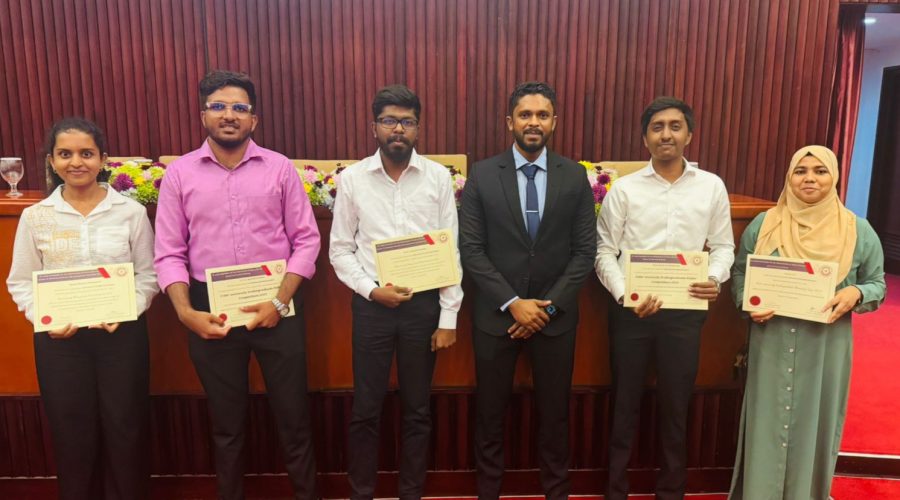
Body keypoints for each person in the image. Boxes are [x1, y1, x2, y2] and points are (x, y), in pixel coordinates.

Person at [153, 70, 320, 500]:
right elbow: (169, 252)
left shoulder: (279, 168)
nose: (229, 115)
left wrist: (279, 303)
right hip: (210, 310)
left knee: (294, 419)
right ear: (203, 115)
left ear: (253, 119)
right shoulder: (180, 174)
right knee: (226, 425)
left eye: (239, 108)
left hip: (277, 305)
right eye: (219, 106)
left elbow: (306, 240)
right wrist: (186, 314)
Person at [7, 117, 158, 499]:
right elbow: (20, 281)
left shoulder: (130, 212)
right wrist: (45, 317)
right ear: (52, 161)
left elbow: (149, 274)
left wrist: (127, 308)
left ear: (103, 159)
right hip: (60, 342)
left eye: (86, 153)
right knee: (71, 431)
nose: (76, 162)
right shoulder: (35, 216)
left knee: (126, 427)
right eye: (65, 154)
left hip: (121, 337)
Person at [459, 81, 596, 500]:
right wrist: (514, 303)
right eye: (525, 114)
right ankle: (488, 492)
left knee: (555, 416)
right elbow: (472, 250)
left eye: (542, 115)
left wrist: (545, 310)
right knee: (490, 415)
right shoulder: (483, 175)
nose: (533, 122)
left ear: (554, 122)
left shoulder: (574, 176)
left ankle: (557, 492)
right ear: (510, 122)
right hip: (496, 316)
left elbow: (584, 252)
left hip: (555, 320)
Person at [595, 97, 734, 500]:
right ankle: (615, 491)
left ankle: (671, 491)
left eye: (675, 126)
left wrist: (714, 277)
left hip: (685, 313)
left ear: (689, 134)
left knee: (676, 407)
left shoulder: (711, 186)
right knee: (624, 406)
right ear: (645, 138)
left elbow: (724, 246)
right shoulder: (625, 189)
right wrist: (625, 295)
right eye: (657, 127)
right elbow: (604, 251)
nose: (666, 134)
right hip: (632, 314)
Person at [728, 145, 885, 499]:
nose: (809, 178)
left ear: (834, 177)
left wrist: (856, 292)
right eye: (800, 171)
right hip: (771, 341)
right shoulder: (764, 225)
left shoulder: (857, 230)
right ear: (789, 177)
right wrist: (747, 302)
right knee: (766, 421)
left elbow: (877, 283)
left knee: (818, 421)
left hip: (825, 346)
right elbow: (740, 273)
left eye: (820, 171)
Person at [329, 84, 463, 500]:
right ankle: (362, 492)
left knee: (418, 410)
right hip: (373, 308)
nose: (398, 129)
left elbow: (450, 250)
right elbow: (340, 249)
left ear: (418, 128)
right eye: (389, 121)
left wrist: (448, 317)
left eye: (407, 121)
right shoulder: (353, 179)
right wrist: (371, 291)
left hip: (422, 309)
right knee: (366, 408)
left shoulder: (437, 178)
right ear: (375, 127)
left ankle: (411, 493)